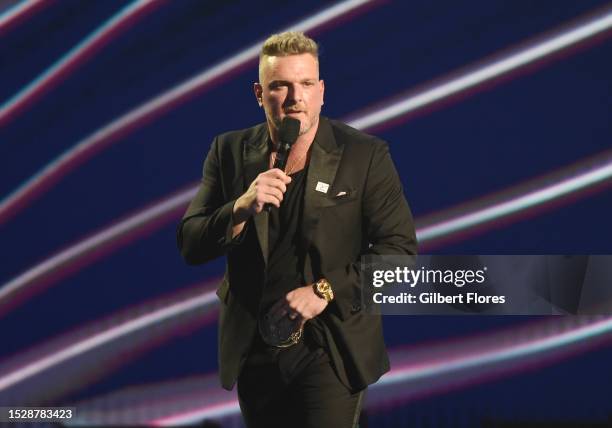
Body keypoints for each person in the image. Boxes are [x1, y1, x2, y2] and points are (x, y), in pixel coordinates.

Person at [177, 31, 417, 428]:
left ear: (321, 91)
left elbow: (400, 254)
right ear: (259, 93)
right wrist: (238, 208)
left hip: (331, 346)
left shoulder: (364, 155)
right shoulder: (229, 152)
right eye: (281, 86)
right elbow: (190, 243)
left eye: (306, 84)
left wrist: (324, 291)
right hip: (256, 347)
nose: (295, 98)